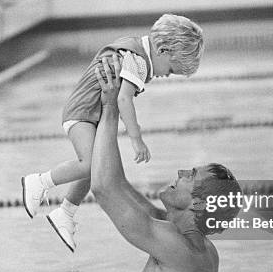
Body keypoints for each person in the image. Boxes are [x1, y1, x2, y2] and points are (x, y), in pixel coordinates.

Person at [91, 55, 242, 272]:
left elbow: (103, 189)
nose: (182, 171)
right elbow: (119, 186)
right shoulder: (196, 246)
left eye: (191, 175)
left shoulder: (178, 249)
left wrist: (110, 109)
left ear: (199, 204)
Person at [22, 13, 204, 252]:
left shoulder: (134, 48)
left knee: (95, 167)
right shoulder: (138, 62)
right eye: (171, 69)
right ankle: (39, 182)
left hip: (89, 112)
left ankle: (66, 212)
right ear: (163, 50)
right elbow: (124, 99)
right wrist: (137, 140)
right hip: (83, 112)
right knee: (89, 164)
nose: (165, 75)